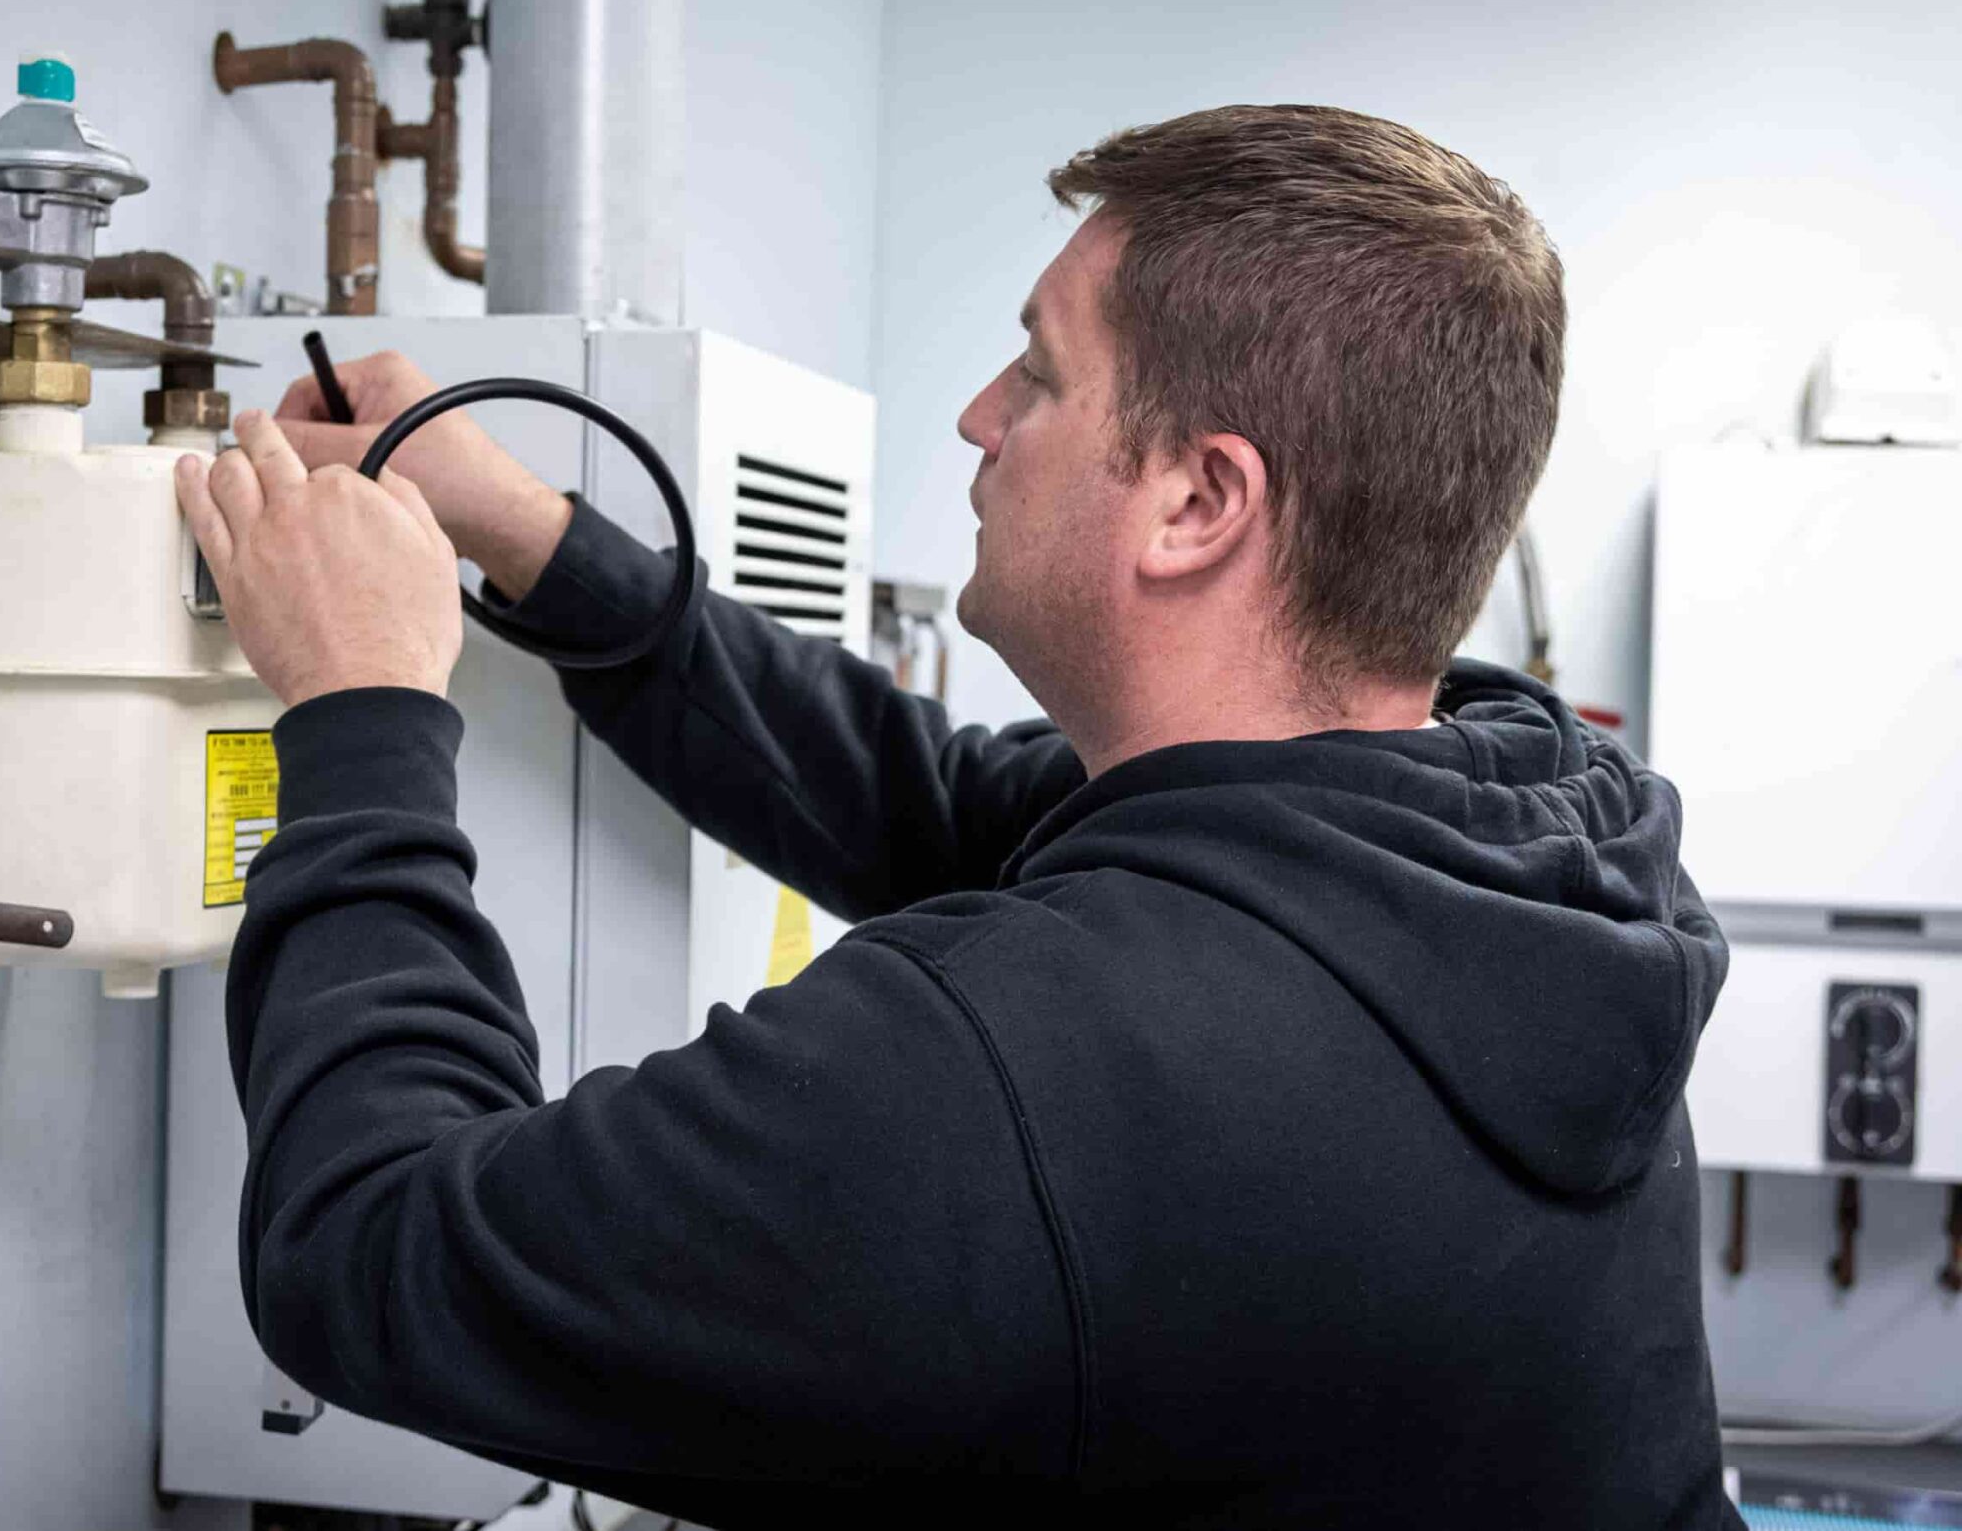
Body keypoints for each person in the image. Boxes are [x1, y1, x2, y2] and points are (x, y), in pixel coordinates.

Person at [174, 104, 1739, 1529]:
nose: (981, 416)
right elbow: (925, 796)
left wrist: (363, 704)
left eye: (1042, 372)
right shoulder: (1527, 825)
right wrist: (525, 530)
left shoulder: (1016, 1072)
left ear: (1200, 502)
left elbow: (370, 1249)